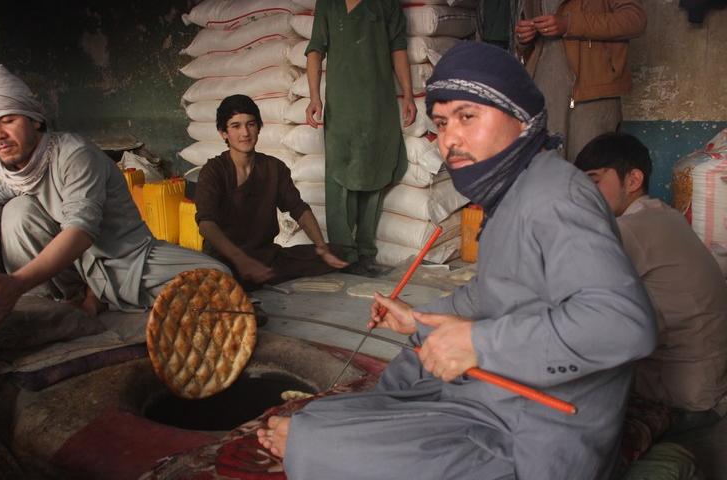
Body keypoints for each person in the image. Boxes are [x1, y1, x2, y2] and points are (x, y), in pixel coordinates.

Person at [257, 41, 656, 480]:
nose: (450, 138)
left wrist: (479, 344)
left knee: (314, 441)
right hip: (498, 399)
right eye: (442, 122)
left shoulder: (556, 195)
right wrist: (420, 319)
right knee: (332, 414)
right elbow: (494, 292)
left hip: (535, 432)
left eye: (468, 116)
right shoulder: (514, 191)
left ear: (521, 118)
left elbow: (623, 325)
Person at [0, 65, 229, 326]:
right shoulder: (1, 177)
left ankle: (93, 297)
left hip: (125, 258)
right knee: (18, 210)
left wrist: (17, 282)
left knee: (218, 276)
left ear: (34, 119)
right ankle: (58, 304)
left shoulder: (73, 153)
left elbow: (81, 231)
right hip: (67, 273)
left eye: (7, 120)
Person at [576, 131, 727, 432]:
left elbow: (571, 289)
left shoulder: (631, 228)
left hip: (681, 397)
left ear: (632, 180)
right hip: (708, 385)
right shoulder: (663, 215)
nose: (583, 196)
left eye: (593, 183)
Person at [304, 0, 417, 277]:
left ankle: (366, 252)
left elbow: (398, 48)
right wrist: (314, 96)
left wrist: (409, 94)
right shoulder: (329, 4)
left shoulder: (386, 4)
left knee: (376, 173)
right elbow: (316, 49)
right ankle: (344, 252)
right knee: (340, 178)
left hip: (379, 106)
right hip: (342, 106)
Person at [194, 94, 347, 292]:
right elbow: (206, 224)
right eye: (236, 126)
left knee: (337, 253)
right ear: (223, 132)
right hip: (227, 260)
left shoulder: (273, 168)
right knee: (218, 280)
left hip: (265, 256)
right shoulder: (214, 171)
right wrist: (240, 260)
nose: (245, 133)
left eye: (250, 124)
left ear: (259, 127)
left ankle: (257, 276)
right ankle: (246, 278)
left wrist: (321, 247)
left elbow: (298, 208)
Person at [514, 0, 647, 162]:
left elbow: (635, 20)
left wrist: (570, 24)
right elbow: (526, 42)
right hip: (543, 89)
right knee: (545, 171)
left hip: (592, 92)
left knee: (590, 170)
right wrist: (523, 39)